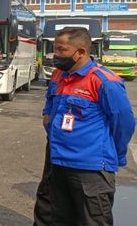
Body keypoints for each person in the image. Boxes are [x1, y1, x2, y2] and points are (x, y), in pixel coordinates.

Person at [41, 27, 134, 225]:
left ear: (81, 52)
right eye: (54, 49)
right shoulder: (58, 75)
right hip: (58, 163)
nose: (55, 55)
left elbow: (124, 124)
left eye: (61, 50)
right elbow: (49, 103)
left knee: (93, 220)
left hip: (91, 169)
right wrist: (47, 118)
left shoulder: (104, 81)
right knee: (59, 219)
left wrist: (112, 154)